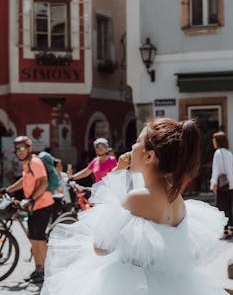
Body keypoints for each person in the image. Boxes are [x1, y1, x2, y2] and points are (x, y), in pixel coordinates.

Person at [41, 118, 227, 295]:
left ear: (149, 156)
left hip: (136, 285)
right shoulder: (176, 197)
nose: (132, 146)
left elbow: (100, 247)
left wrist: (118, 175)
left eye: (138, 141)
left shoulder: (138, 198)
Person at [0, 136, 54, 284]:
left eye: (23, 148)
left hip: (42, 204)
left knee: (39, 239)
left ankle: (43, 271)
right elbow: (24, 181)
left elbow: (43, 182)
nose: (20, 151)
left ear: (29, 148)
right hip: (34, 206)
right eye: (17, 149)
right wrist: (8, 189)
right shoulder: (27, 164)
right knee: (33, 238)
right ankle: (38, 269)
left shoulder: (35, 162)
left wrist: (32, 199)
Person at [210, 131, 233, 240]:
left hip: (223, 185)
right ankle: (231, 231)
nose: (213, 142)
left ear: (218, 141)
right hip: (230, 185)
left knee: (222, 209)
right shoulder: (229, 153)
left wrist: (214, 183)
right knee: (229, 209)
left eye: (214, 140)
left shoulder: (218, 153)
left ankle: (225, 232)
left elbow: (216, 170)